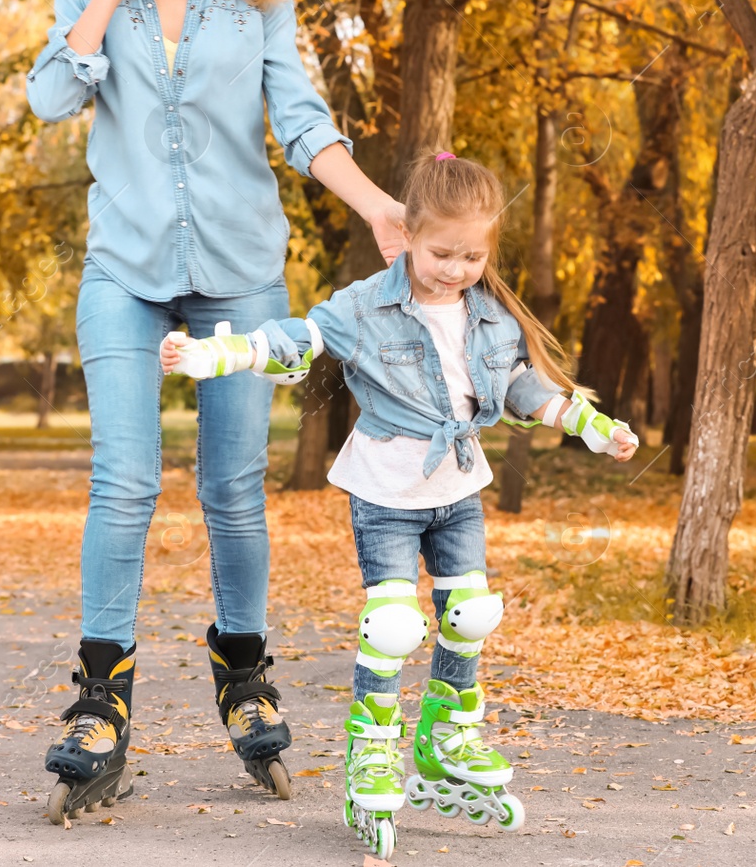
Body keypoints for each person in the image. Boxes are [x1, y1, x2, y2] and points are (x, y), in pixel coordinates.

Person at [24, 0, 405, 824]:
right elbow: (53, 98)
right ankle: (101, 700)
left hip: (238, 269)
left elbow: (302, 122)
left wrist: (378, 208)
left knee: (233, 487)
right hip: (127, 268)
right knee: (125, 480)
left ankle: (245, 675)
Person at [162, 153, 638, 857]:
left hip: (457, 489)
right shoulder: (366, 305)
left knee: (471, 612)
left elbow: (516, 388)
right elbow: (299, 338)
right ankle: (373, 747)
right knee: (391, 624)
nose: (455, 268)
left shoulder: (489, 315)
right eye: (442, 252)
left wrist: (588, 423)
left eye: (472, 255)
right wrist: (219, 354)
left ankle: (447, 733)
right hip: (386, 491)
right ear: (409, 233)